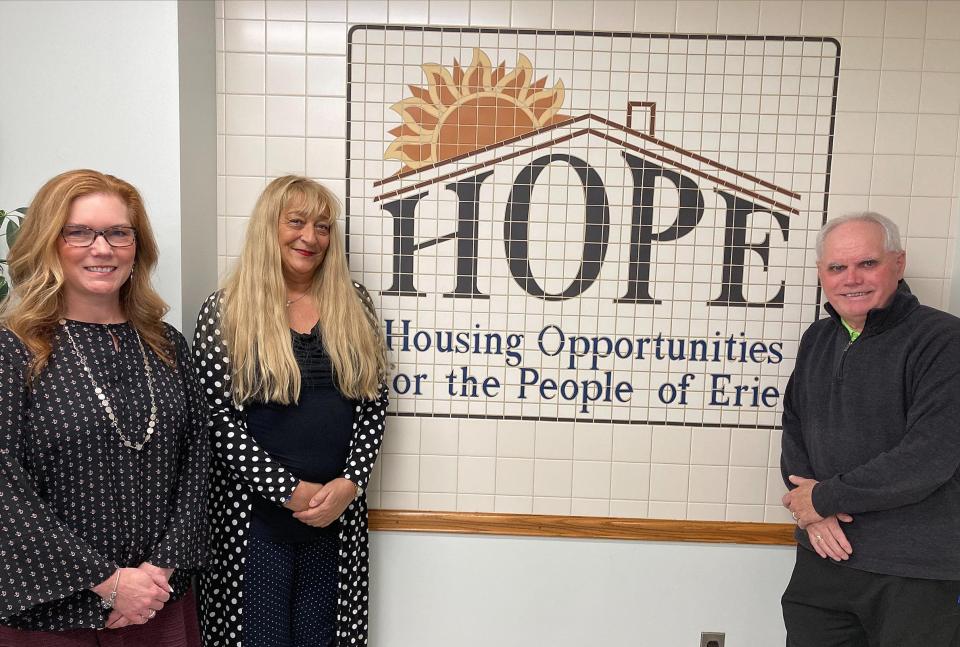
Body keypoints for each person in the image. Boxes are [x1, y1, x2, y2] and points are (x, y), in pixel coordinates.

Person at [0, 170, 209, 644]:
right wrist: (109, 583)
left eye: (118, 232)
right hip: (53, 612)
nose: (102, 248)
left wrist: (159, 572)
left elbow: (197, 461)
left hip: (160, 601)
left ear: (137, 248)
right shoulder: (14, 350)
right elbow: (5, 488)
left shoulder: (167, 346)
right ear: (47, 243)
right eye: (79, 232)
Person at [194, 176, 389, 647]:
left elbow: (374, 404)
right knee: (256, 638)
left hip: (334, 517)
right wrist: (287, 491)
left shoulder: (354, 303)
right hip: (253, 521)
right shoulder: (225, 311)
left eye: (323, 227)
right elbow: (217, 420)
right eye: (297, 222)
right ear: (269, 227)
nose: (311, 237)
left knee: (323, 637)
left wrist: (350, 483)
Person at [780, 212, 960, 646]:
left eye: (867, 264)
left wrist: (823, 498)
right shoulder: (818, 338)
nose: (851, 279)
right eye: (837, 268)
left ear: (898, 264)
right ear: (822, 274)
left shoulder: (943, 340)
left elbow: (928, 457)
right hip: (822, 563)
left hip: (915, 572)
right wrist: (813, 514)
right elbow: (795, 427)